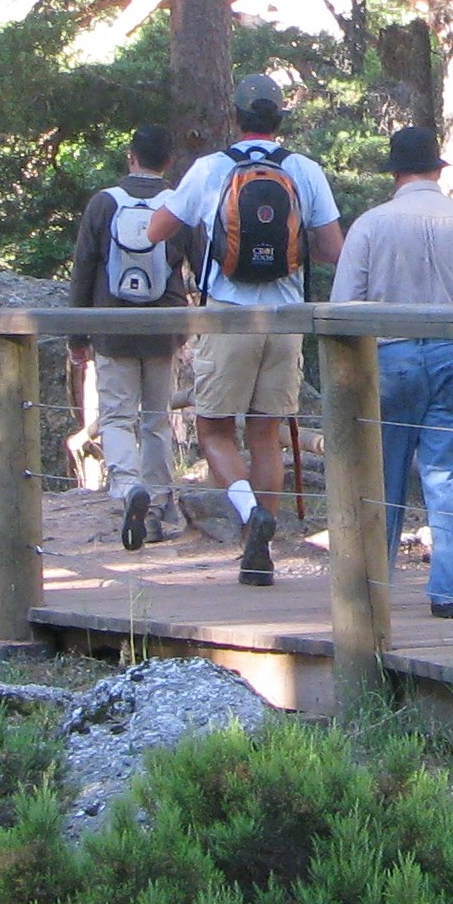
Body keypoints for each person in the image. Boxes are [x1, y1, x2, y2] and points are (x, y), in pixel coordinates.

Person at [143, 74, 346, 585]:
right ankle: (265, 550)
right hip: (286, 320)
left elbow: (156, 232)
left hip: (227, 314)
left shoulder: (211, 169)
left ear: (234, 118)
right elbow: (332, 249)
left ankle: (246, 512)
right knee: (265, 436)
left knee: (212, 428)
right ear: (280, 118)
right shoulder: (304, 170)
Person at [330, 126, 453, 618]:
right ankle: (450, 591)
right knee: (450, 472)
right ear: (436, 169)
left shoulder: (371, 224)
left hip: (391, 355)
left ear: (395, 171)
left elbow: (344, 300)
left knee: (382, 470)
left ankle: (372, 585)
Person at [68, 125, 202, 551]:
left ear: (130, 157)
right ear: (169, 162)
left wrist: (77, 335)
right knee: (157, 418)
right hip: (163, 327)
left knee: (117, 417)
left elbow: (84, 270)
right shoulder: (178, 203)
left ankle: (128, 490)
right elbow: (199, 265)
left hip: (112, 326)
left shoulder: (104, 203)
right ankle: (161, 502)